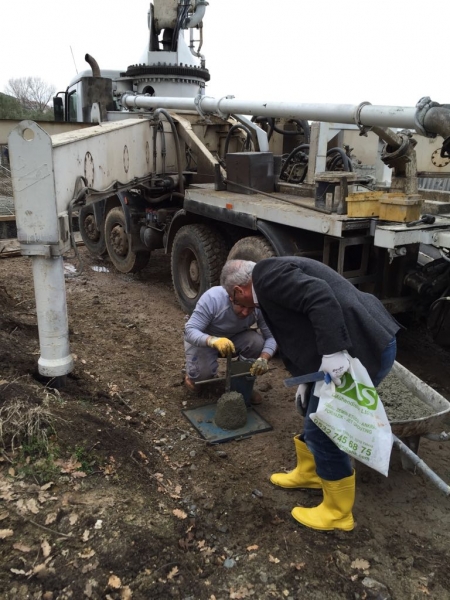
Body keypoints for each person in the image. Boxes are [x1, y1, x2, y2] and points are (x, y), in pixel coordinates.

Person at [220, 257, 399, 531]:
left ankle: (339, 514)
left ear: (237, 291)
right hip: (359, 339)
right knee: (312, 411)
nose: (241, 309)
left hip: (365, 345)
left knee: (324, 427)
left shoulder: (267, 278)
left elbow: (320, 296)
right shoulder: (268, 279)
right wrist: (306, 377)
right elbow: (298, 326)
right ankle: (312, 472)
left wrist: (332, 350)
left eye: (237, 302)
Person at [184, 261, 277, 404]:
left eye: (251, 308)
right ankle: (193, 376)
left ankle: (241, 386)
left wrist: (264, 358)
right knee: (201, 378)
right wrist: (213, 341)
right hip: (206, 340)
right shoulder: (213, 298)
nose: (246, 312)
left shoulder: (257, 301)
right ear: (232, 295)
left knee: (257, 342)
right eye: (241, 306)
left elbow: (271, 336)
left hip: (234, 339)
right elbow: (190, 330)